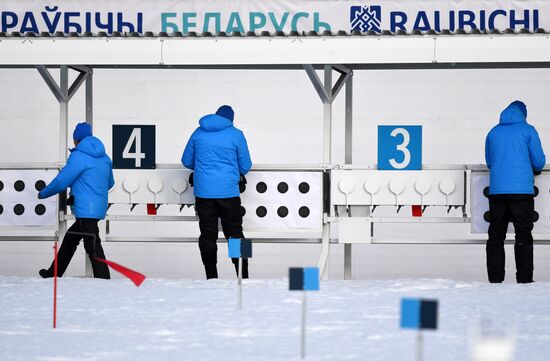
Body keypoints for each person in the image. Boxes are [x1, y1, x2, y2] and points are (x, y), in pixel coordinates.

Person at [182, 105, 252, 279]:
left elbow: (186, 160)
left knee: (207, 234)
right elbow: (245, 165)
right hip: (229, 192)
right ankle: (243, 275)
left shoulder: (198, 133)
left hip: (204, 193)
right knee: (236, 233)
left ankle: (211, 276)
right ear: (230, 119)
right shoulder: (236, 134)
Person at [38, 122, 114, 279]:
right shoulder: (105, 158)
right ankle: (53, 273)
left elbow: (61, 181)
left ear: (76, 140)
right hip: (96, 207)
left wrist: (43, 193)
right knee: (70, 240)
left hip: (86, 208)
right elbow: (110, 183)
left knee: (92, 246)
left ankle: (105, 280)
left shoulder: (79, 156)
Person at [485, 100, 545, 283]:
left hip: (497, 191)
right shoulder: (528, 130)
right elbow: (538, 161)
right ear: (523, 114)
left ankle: (495, 280)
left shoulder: (493, 132)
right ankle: (525, 280)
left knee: (496, 236)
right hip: (521, 192)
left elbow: (489, 162)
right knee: (523, 235)